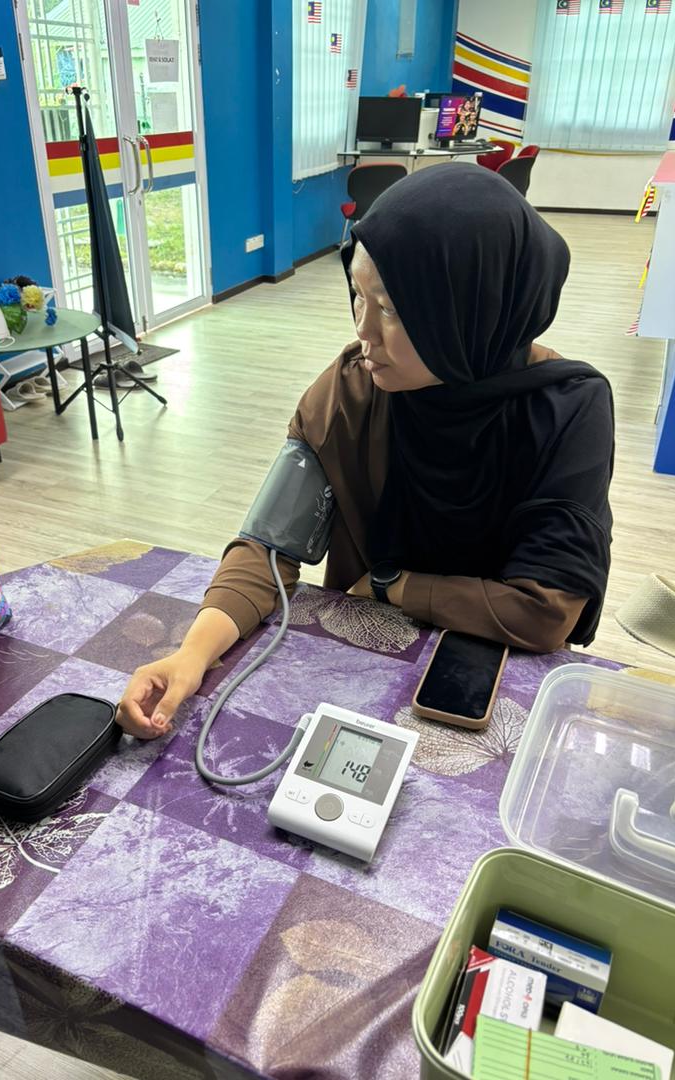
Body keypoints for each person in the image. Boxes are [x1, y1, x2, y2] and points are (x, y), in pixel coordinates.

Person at [117, 166, 614, 739]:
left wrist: (392, 586)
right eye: (358, 295)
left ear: (471, 312)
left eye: (393, 310)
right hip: (360, 668)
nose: (363, 330)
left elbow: (546, 610)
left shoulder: (567, 407)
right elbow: (269, 547)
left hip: (495, 690)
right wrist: (192, 655)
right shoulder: (355, 387)